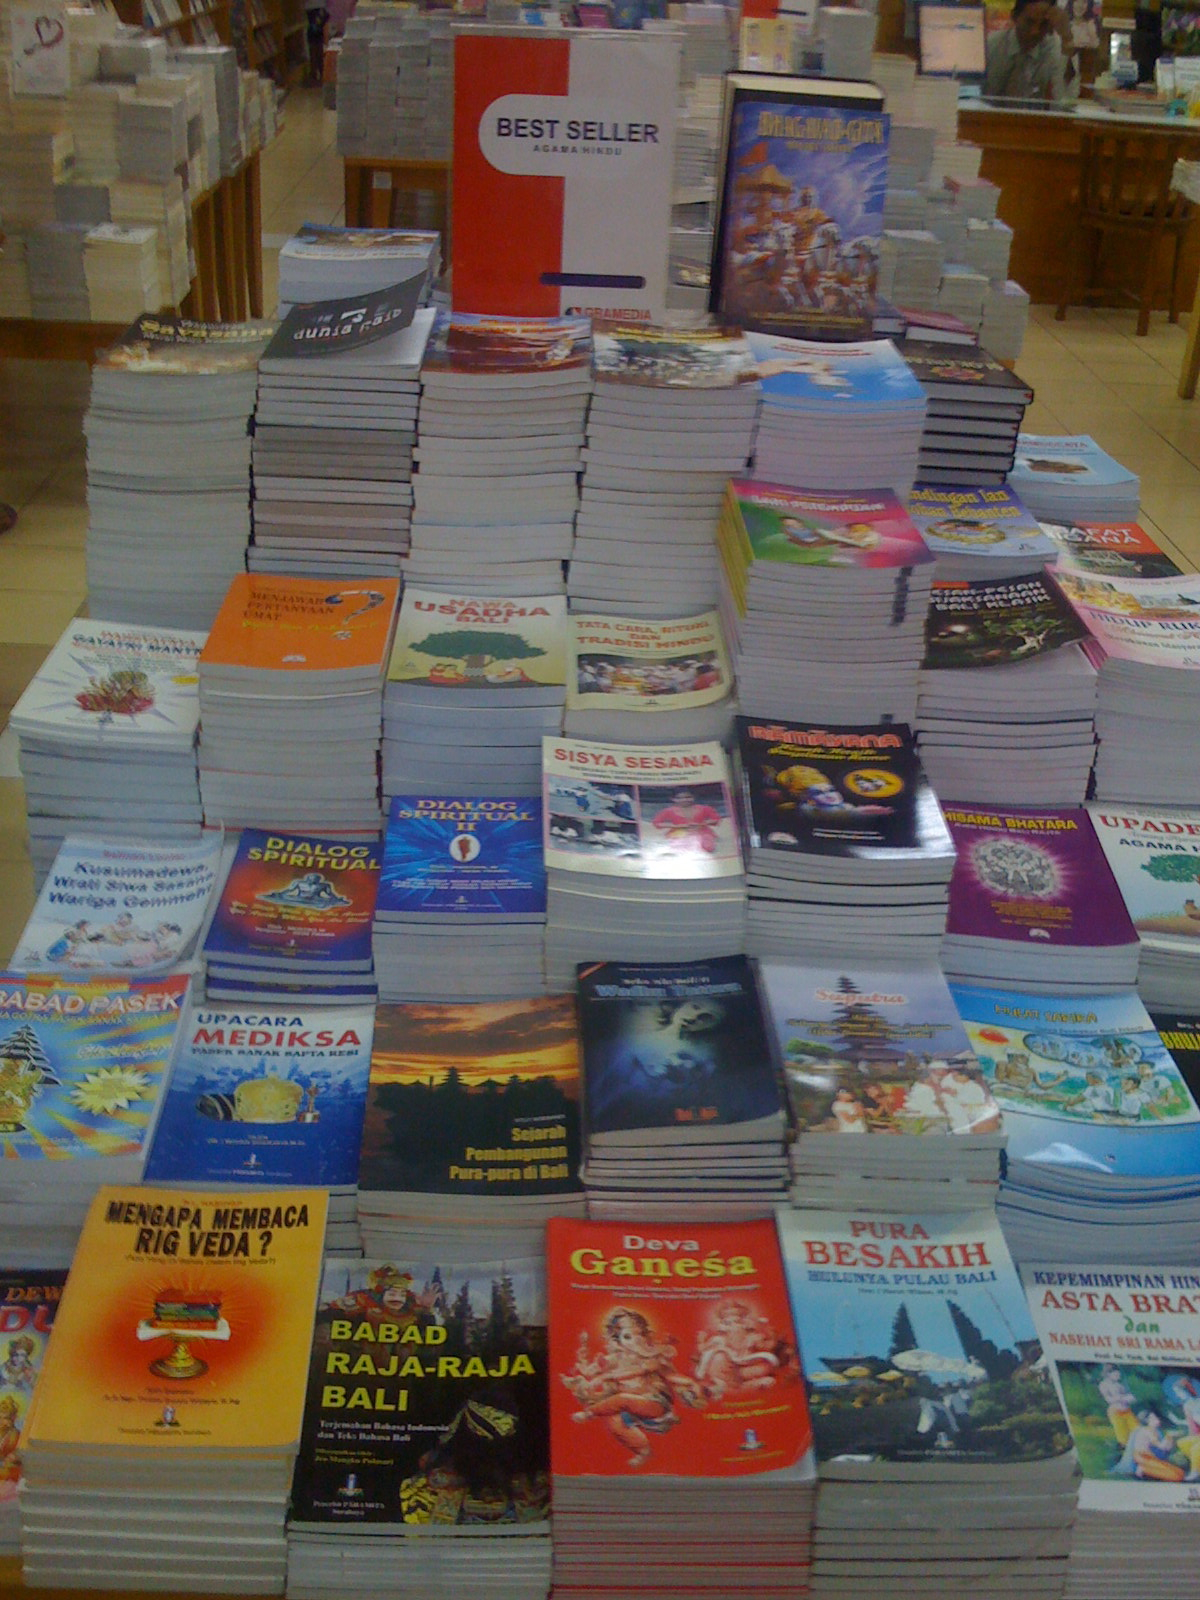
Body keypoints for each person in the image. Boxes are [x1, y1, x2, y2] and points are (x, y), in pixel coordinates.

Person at [983, 0, 1078, 103]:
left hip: (1034, 113)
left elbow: (1066, 99)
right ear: (1014, 16)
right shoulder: (991, 45)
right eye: (1029, 22)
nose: (1035, 31)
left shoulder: (1054, 48)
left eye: (1043, 24)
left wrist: (1066, 37)